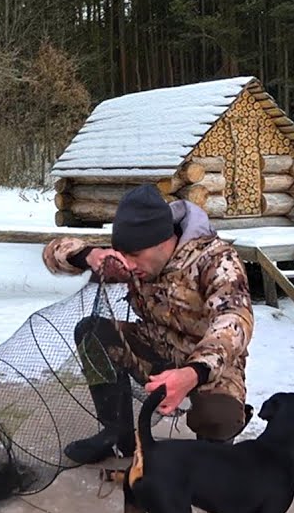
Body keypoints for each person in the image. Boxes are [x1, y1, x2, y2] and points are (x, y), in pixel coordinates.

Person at [42, 184, 255, 463]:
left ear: (162, 243)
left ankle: (215, 447)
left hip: (209, 363)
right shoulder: (134, 260)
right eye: (124, 256)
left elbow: (234, 321)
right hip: (156, 348)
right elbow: (52, 253)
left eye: (134, 257)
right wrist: (89, 255)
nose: (128, 266)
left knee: (217, 418)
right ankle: (117, 434)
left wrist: (193, 372)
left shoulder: (216, 259)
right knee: (91, 331)